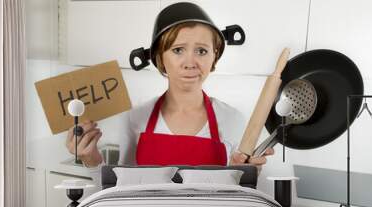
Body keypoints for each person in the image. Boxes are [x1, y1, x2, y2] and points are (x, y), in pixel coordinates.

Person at [65, 2, 275, 185]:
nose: (190, 63)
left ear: (214, 55)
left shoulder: (233, 119)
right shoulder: (136, 117)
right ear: (159, 57)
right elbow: (121, 191)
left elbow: (236, 199)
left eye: (201, 51)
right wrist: (91, 160)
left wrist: (244, 176)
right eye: (178, 50)